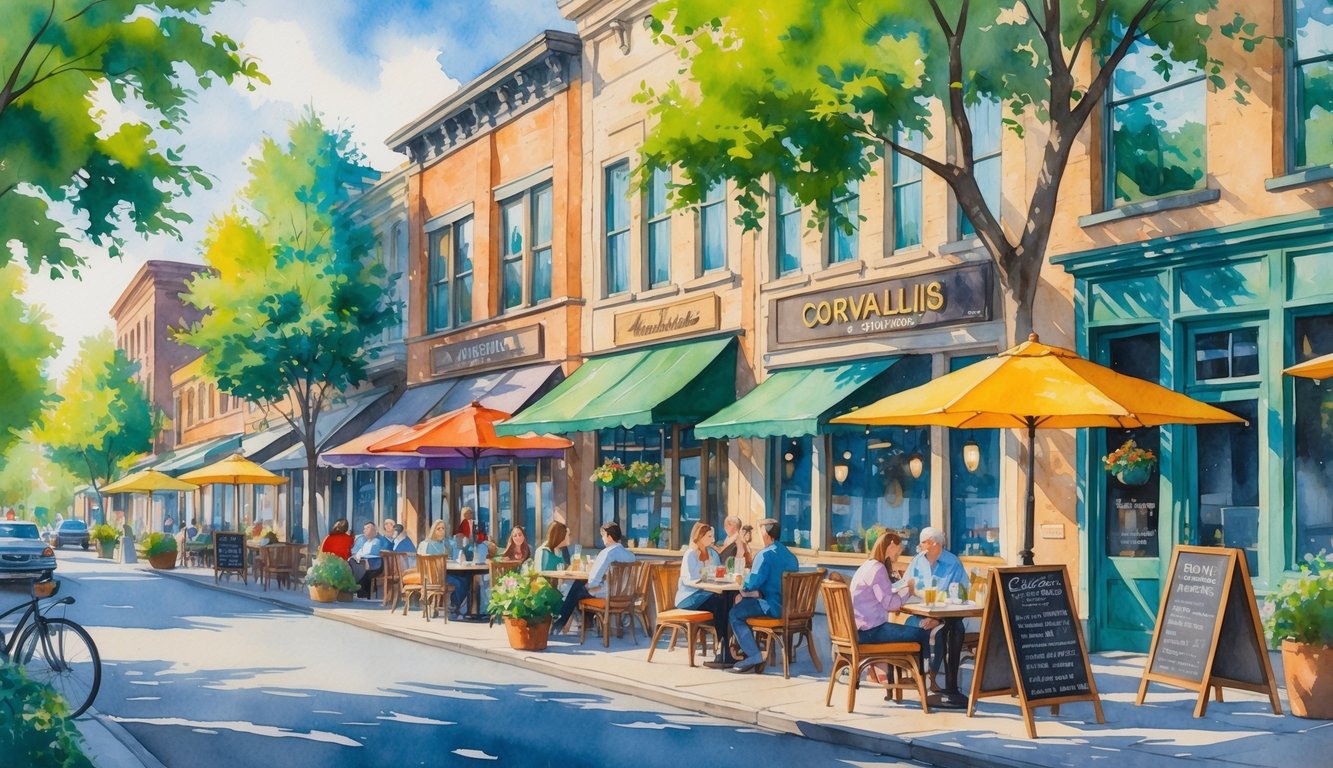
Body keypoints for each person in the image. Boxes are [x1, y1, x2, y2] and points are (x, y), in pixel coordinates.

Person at [850, 531, 934, 683]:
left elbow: (881, 594)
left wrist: (899, 590)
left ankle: (911, 677)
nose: (900, 552)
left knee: (907, 630)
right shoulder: (879, 570)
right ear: (891, 545)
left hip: (858, 630)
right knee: (922, 634)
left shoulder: (868, 566)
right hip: (871, 632)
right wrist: (909, 590)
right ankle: (924, 679)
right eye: (899, 547)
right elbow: (890, 605)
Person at [729, 518, 798, 673]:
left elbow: (750, 584)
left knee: (735, 613)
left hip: (771, 607)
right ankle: (745, 651)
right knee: (743, 602)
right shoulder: (791, 556)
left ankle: (752, 654)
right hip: (789, 608)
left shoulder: (764, 555)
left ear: (766, 534)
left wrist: (742, 582)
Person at [902, 526, 968, 689]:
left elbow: (956, 593)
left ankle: (931, 678)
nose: (920, 546)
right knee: (911, 627)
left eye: (923, 543)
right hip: (920, 612)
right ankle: (917, 674)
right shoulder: (918, 560)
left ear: (933, 544)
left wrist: (936, 618)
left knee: (940, 633)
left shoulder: (952, 563)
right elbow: (906, 584)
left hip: (947, 616)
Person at [554, 522, 636, 634]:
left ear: (609, 537)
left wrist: (590, 586)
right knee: (580, 590)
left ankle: (560, 623)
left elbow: (593, 580)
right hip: (625, 595)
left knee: (578, 587)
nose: (602, 539)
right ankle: (586, 624)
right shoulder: (630, 555)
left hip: (607, 594)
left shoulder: (607, 553)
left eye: (603, 536)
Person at [676, 522, 734, 667]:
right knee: (719, 602)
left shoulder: (711, 554)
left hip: (704, 594)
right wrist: (708, 578)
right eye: (709, 536)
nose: (712, 539)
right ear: (700, 537)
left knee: (728, 598)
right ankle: (722, 649)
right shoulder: (690, 554)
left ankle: (727, 649)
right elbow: (690, 580)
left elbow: (716, 572)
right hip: (688, 597)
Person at [350, 522, 384, 599]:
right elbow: (359, 553)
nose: (365, 530)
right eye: (364, 528)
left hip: (375, 565)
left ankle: (363, 594)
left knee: (363, 573)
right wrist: (355, 557)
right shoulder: (366, 543)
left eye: (367, 528)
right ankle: (359, 592)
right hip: (366, 564)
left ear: (374, 530)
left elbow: (372, 553)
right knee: (353, 564)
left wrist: (360, 557)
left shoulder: (376, 541)